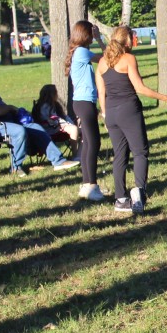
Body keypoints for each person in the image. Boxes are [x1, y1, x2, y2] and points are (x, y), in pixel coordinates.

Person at [96, 26, 167, 214]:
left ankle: (120, 199)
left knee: (120, 155)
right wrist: (166, 98)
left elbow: (101, 93)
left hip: (111, 113)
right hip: (129, 111)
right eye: (132, 37)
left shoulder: (102, 63)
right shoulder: (128, 59)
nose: (133, 41)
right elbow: (140, 88)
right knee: (140, 152)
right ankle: (139, 194)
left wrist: (105, 115)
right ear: (126, 40)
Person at [0, 63, 80, 177]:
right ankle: (15, 167)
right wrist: (10, 108)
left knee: (36, 128)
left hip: (7, 123)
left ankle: (58, 161)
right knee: (19, 131)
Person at [66, 21, 105, 201]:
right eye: (91, 34)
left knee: (88, 143)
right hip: (84, 102)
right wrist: (100, 39)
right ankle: (92, 186)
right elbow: (107, 58)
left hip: (82, 102)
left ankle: (86, 184)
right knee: (94, 143)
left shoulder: (77, 52)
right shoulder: (81, 51)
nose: (92, 37)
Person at [32, 84, 80, 158]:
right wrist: (64, 124)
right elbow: (49, 121)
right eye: (56, 93)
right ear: (52, 94)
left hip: (59, 127)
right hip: (51, 130)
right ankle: (75, 154)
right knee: (74, 129)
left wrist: (69, 123)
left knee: (83, 131)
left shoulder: (55, 105)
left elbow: (64, 116)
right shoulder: (43, 107)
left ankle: (81, 153)